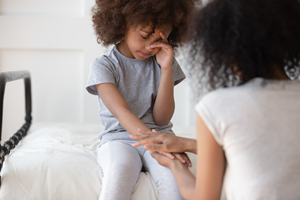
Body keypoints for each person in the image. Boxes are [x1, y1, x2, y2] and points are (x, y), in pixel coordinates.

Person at [132, 0, 300, 199]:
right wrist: (187, 144)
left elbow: (204, 197)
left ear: (226, 49)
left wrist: (174, 165)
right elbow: (268, 150)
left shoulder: (218, 106)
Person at [86, 0, 199, 199]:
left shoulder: (164, 61)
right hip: (119, 140)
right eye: (145, 36)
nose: (150, 47)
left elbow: (162, 119)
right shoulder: (104, 66)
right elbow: (122, 112)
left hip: (160, 136)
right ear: (122, 24)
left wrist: (166, 69)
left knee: (175, 188)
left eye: (160, 40)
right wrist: (155, 141)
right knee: (117, 179)